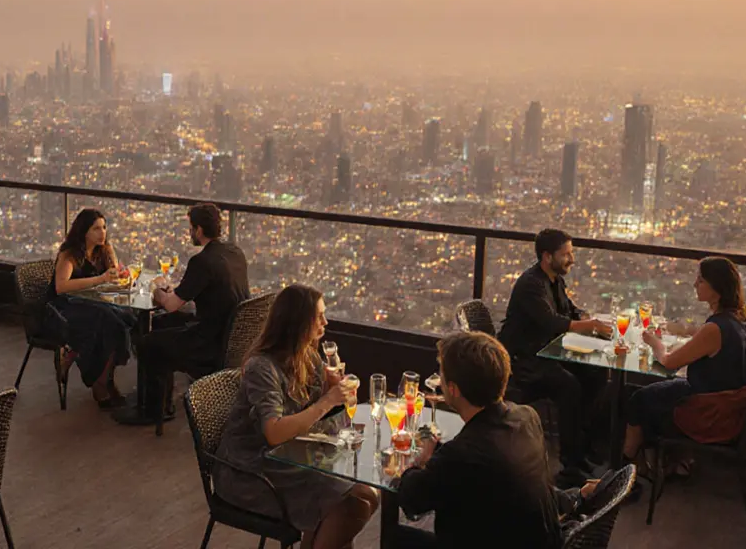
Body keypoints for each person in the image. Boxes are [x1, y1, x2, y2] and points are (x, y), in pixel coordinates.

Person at [214, 284, 380, 548]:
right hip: (251, 473)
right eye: (319, 316)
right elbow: (274, 432)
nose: (326, 321)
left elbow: (316, 420)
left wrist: (334, 395)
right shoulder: (262, 367)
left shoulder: (307, 357)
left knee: (367, 495)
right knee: (353, 505)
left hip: (292, 460)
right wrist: (327, 400)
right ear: (298, 322)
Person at [395, 331, 585, 549]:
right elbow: (482, 470)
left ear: (453, 389)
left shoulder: (461, 454)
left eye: (442, 375)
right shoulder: (526, 418)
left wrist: (421, 460)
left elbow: (411, 499)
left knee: (396, 538)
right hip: (531, 539)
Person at [622, 257, 746, 465]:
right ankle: (669, 463)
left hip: (712, 411)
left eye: (701, 280)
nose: (695, 284)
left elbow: (669, 363)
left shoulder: (715, 328)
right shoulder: (744, 318)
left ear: (716, 287)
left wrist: (655, 343)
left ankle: (627, 465)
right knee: (656, 393)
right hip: (733, 404)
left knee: (639, 399)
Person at [498, 228, 611, 485]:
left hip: (546, 354)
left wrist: (586, 317)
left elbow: (569, 310)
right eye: (566, 254)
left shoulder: (554, 280)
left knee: (595, 373)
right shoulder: (531, 285)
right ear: (547, 257)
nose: (572, 259)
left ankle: (582, 447)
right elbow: (552, 322)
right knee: (569, 386)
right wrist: (591, 324)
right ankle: (570, 465)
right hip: (523, 360)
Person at [143, 203, 250, 412]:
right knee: (160, 323)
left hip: (209, 344)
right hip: (234, 340)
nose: (190, 232)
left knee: (149, 343)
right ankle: (165, 400)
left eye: (191, 227)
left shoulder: (202, 261)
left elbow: (171, 305)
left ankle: (154, 410)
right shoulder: (235, 252)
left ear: (199, 230)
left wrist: (155, 290)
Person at [48, 208, 136, 408]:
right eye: (96, 229)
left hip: (95, 303)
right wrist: (101, 279)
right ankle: (101, 383)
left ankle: (104, 377)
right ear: (84, 231)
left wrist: (122, 277)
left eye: (104, 228)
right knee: (112, 323)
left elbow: (114, 276)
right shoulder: (69, 254)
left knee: (127, 319)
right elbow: (61, 287)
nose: (102, 233)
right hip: (65, 308)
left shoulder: (104, 250)